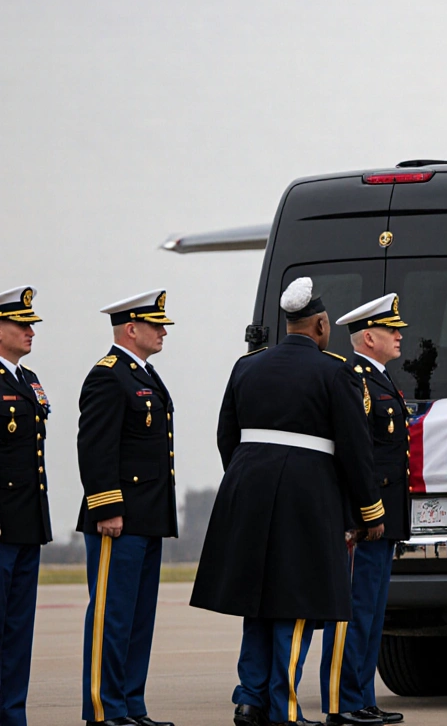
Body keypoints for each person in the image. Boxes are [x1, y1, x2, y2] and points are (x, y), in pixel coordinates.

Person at [190, 278, 385, 726]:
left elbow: (227, 436)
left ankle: (250, 698)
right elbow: (355, 449)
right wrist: (368, 510)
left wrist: (249, 483)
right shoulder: (336, 371)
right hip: (306, 497)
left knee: (258, 602)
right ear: (319, 325)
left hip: (249, 490)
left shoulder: (247, 366)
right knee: (300, 603)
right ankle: (284, 709)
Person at [77, 289, 178, 726]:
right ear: (131, 329)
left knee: (138, 620)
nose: (162, 332)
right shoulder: (107, 376)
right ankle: (105, 709)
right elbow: (95, 447)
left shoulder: (143, 374)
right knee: (111, 618)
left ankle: (131, 706)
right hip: (117, 520)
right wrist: (106, 508)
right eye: (155, 325)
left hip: (147, 516)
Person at [321, 294, 412, 726]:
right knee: (353, 613)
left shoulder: (381, 379)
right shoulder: (353, 378)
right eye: (391, 329)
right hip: (365, 517)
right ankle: (342, 702)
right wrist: (365, 513)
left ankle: (362, 698)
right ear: (368, 336)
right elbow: (355, 454)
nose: (399, 335)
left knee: (372, 613)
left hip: (384, 517)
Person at [0, 287, 50, 726]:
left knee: (18, 631)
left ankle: (13, 713)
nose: (30, 330)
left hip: (27, 522)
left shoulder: (27, 380)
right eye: (21, 323)